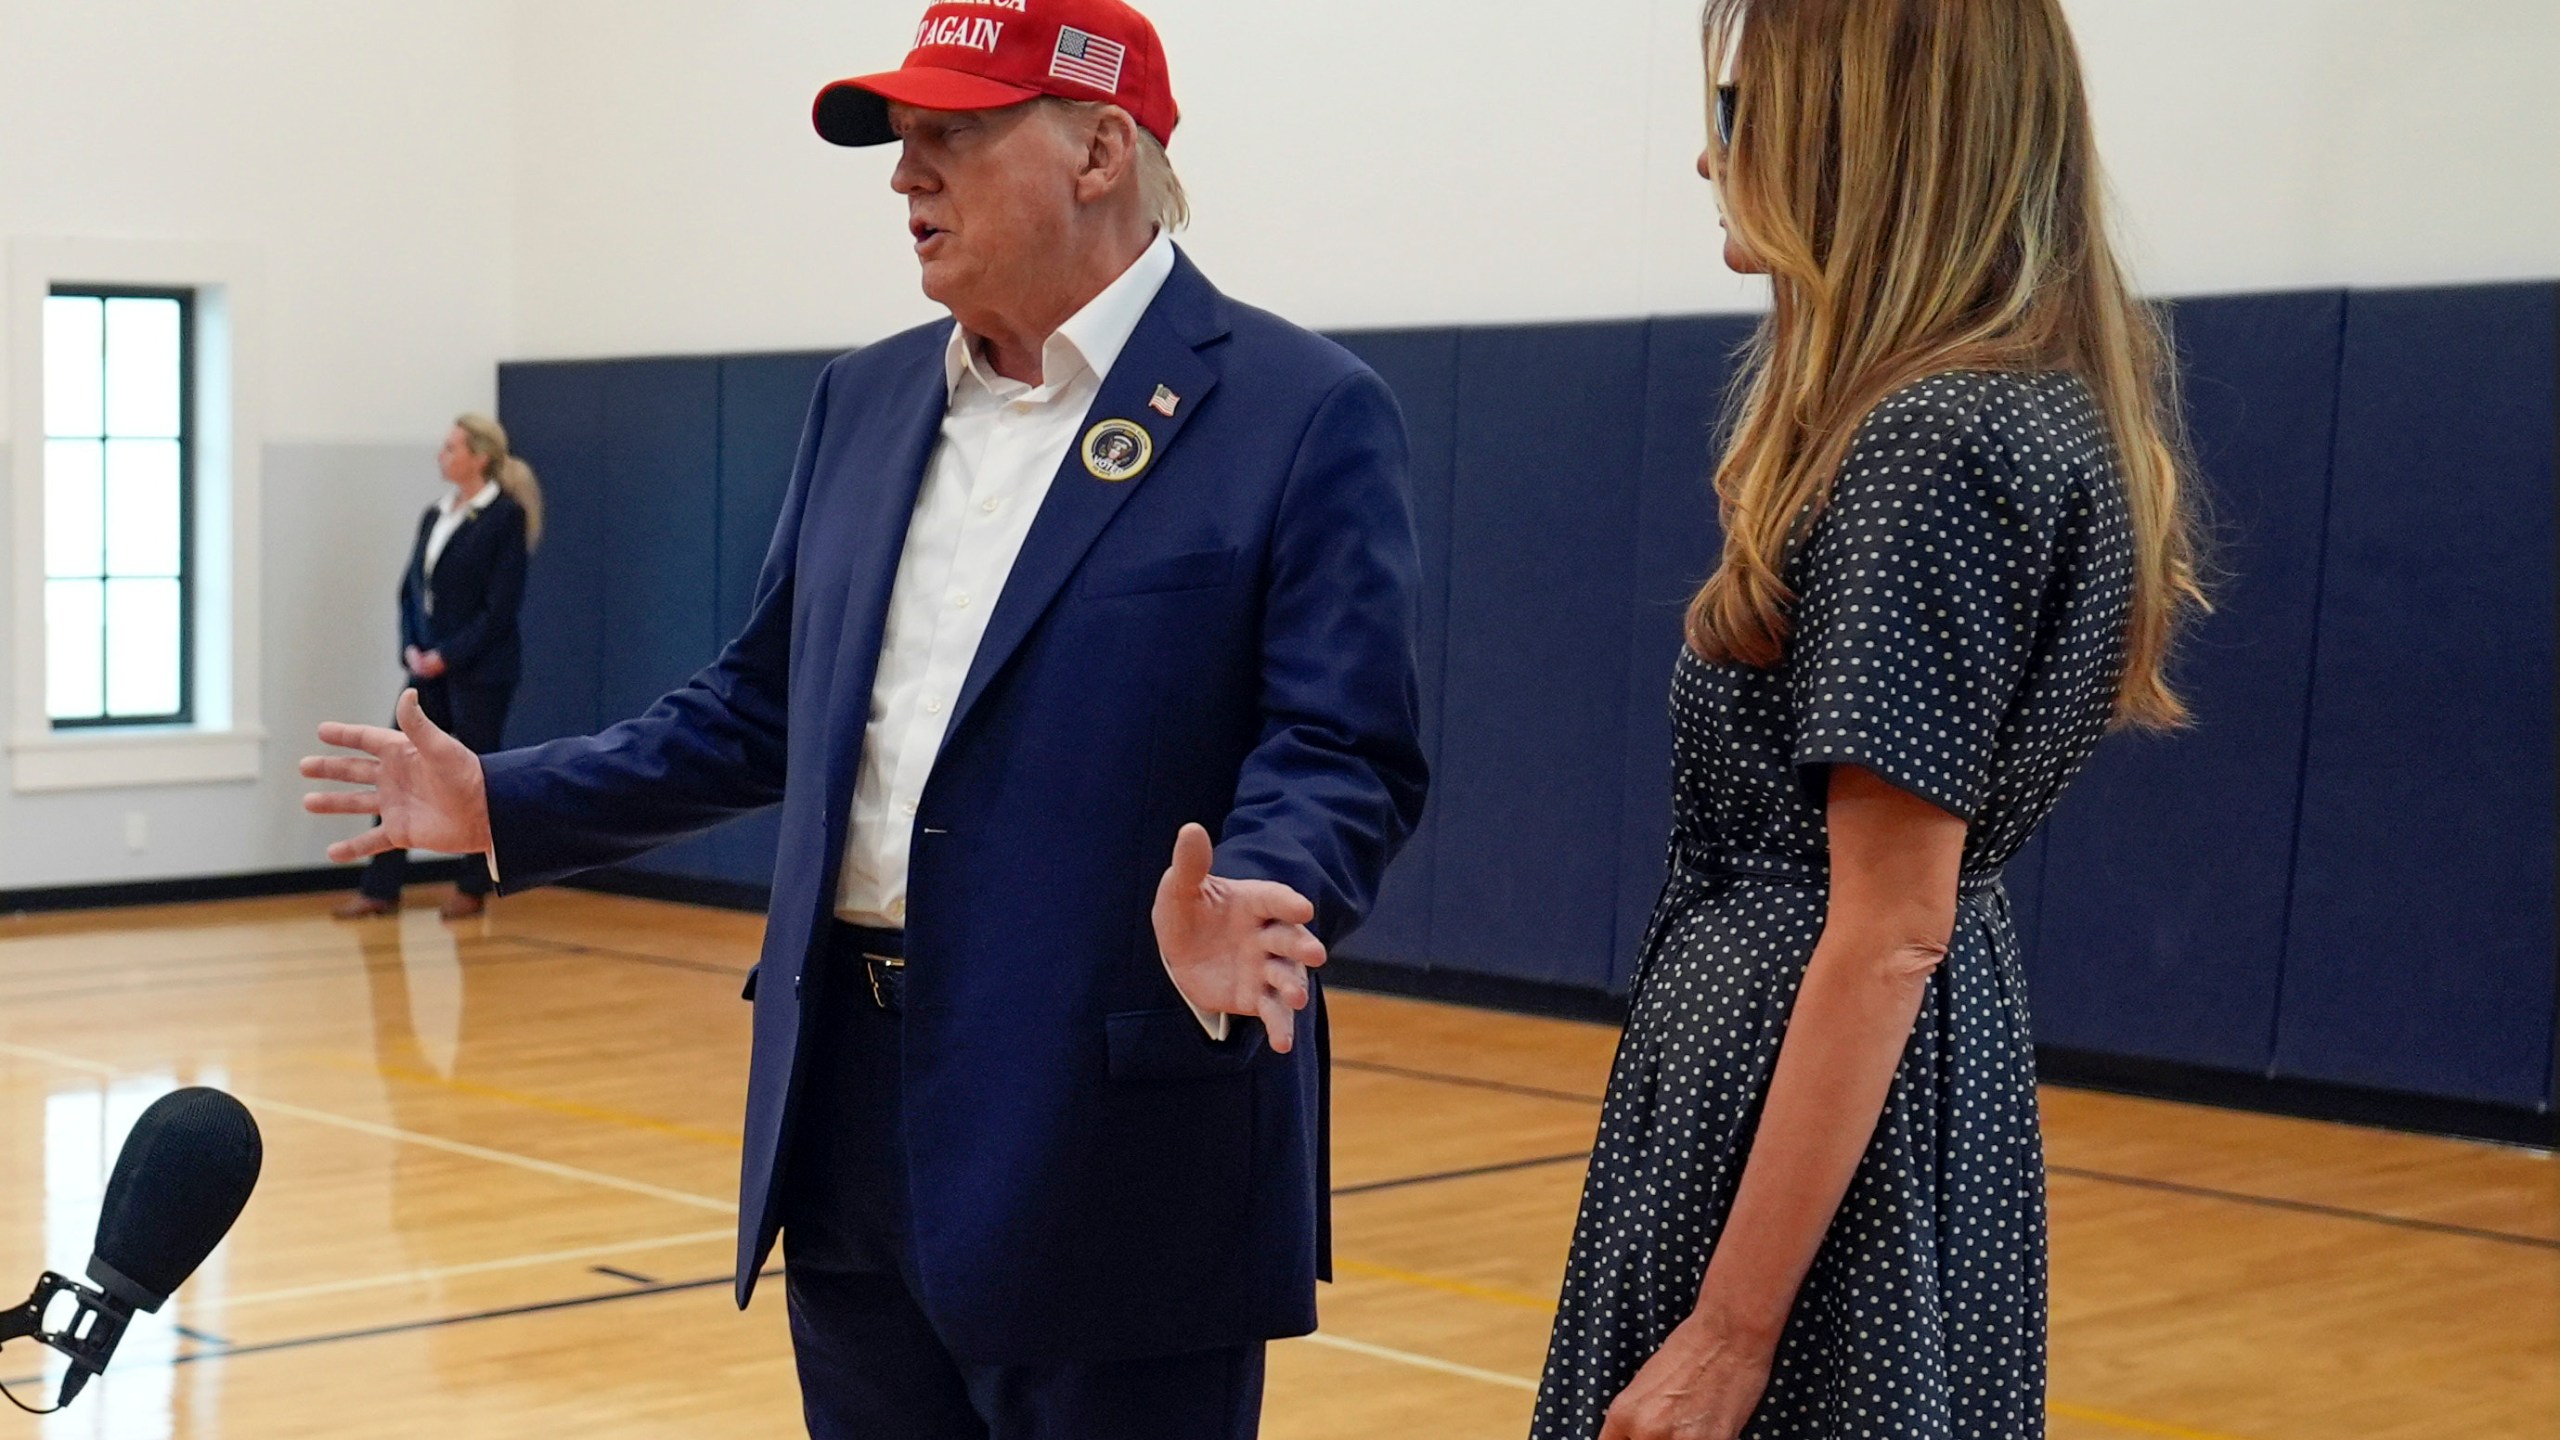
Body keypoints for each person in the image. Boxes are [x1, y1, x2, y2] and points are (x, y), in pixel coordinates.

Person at [301, 1, 1427, 1435]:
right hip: (845, 1115)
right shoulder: (867, 398)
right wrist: (504, 802)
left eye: (951, 135)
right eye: (902, 141)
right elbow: (760, 706)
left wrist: (1261, 900)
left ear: (1097, 150)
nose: (907, 176)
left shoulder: (1303, 411)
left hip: (1119, 1129)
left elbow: (1342, 746)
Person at [1532, 2, 2203, 1437]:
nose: (1710, 163)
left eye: (1738, 115)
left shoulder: (1933, 442)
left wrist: (1729, 1327)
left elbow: (1892, 923)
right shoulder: (2002, 412)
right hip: (1850, 1085)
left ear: (1862, 132)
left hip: (1818, 1096)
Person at [333, 414, 541, 922]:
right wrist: (413, 648)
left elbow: (500, 609)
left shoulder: (504, 517)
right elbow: (411, 591)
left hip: (479, 673)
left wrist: (448, 653)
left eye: (451, 448)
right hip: (427, 671)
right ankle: (381, 888)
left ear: (480, 456)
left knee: (472, 779)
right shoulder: (436, 513)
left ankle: (472, 886)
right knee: (396, 766)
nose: (441, 456)